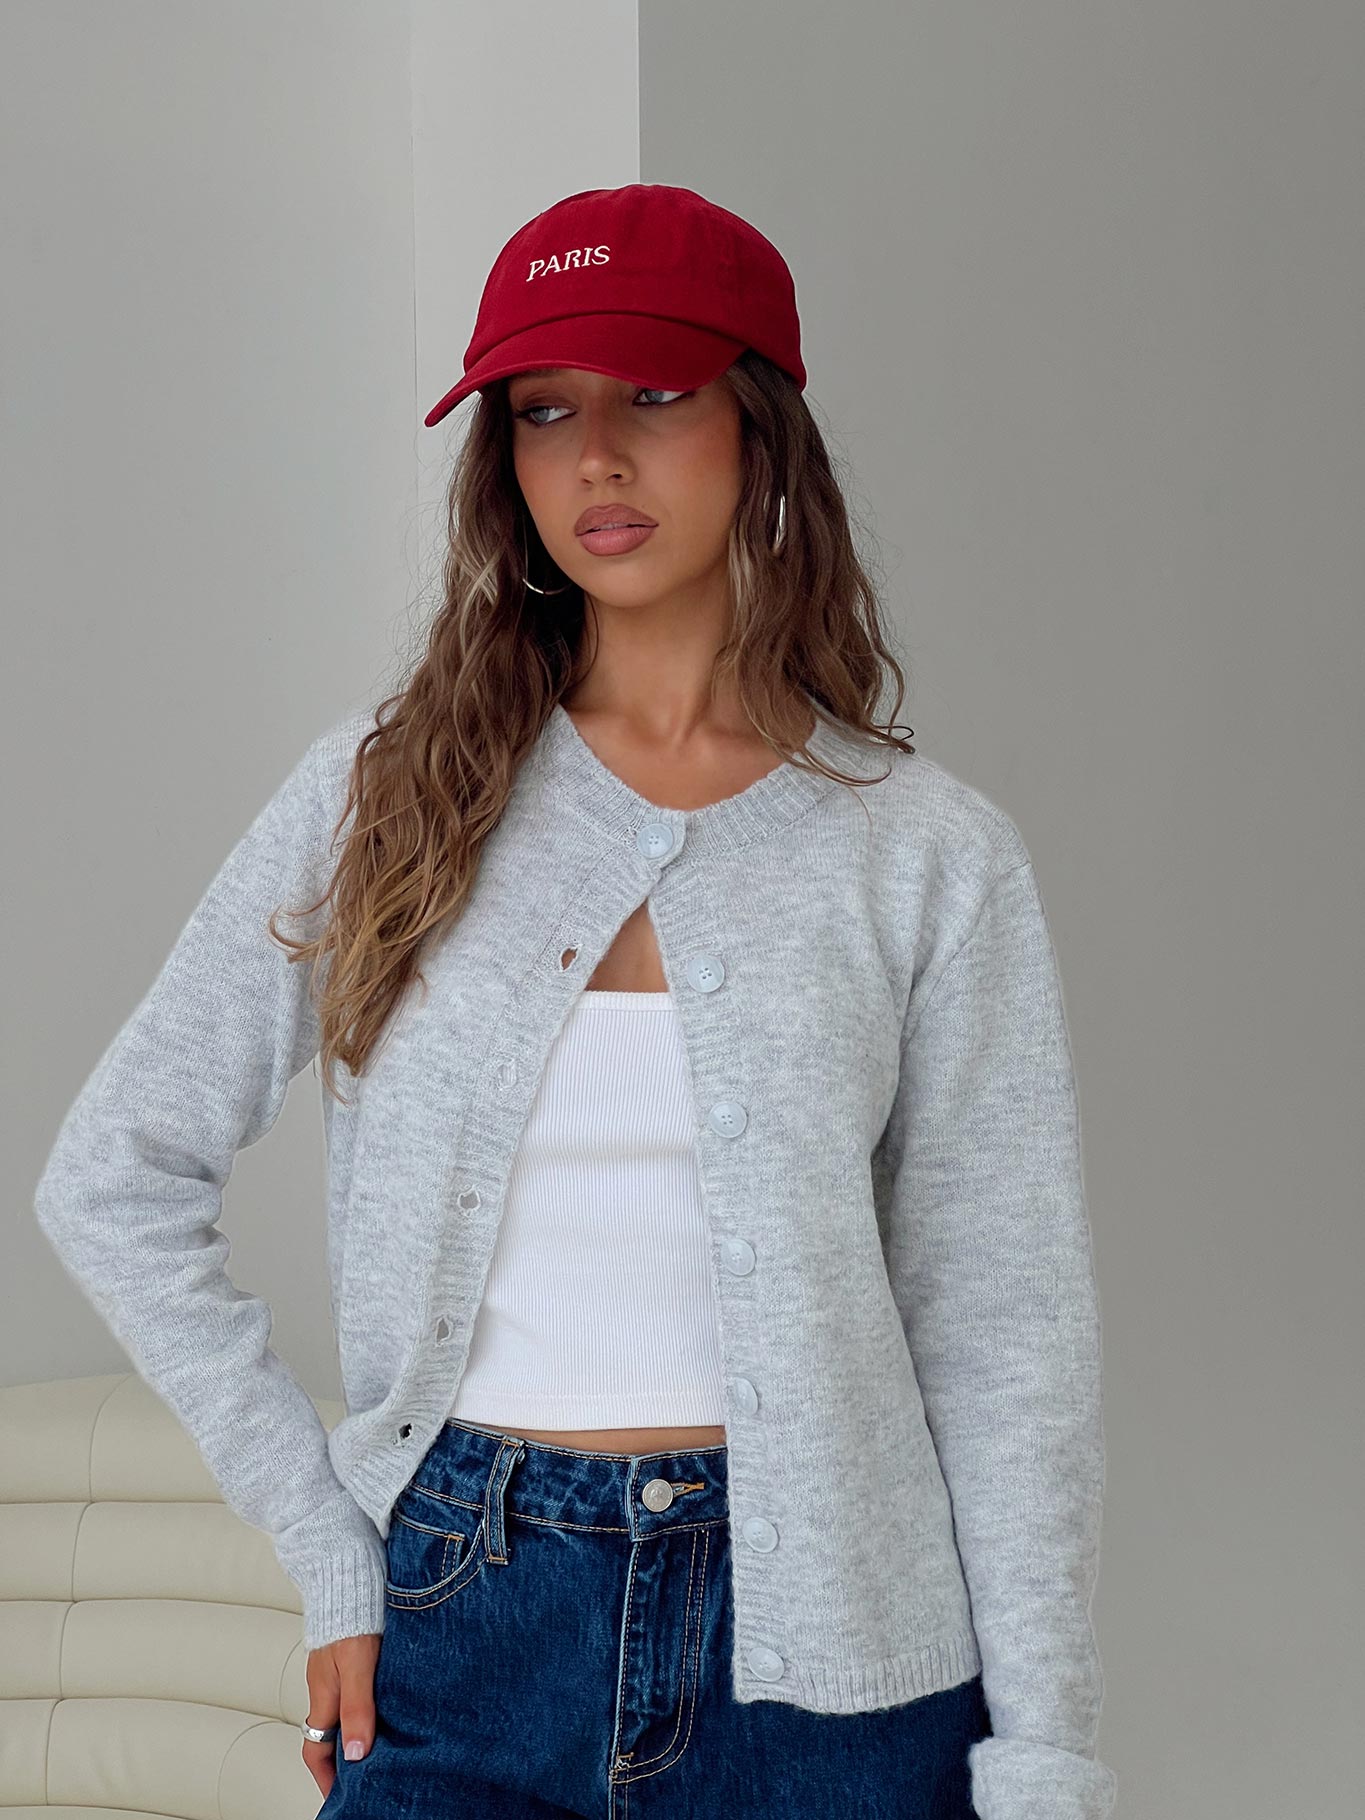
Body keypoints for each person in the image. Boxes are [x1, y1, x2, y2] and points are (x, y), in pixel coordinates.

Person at [34, 183, 1117, 1819]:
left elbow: (1002, 1333)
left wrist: (1042, 1755)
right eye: (543, 413)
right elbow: (113, 1177)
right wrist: (328, 1548)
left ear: (760, 428)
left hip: (835, 1650)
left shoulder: (924, 852)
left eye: (653, 396)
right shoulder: (384, 793)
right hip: (462, 1615)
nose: (595, 459)